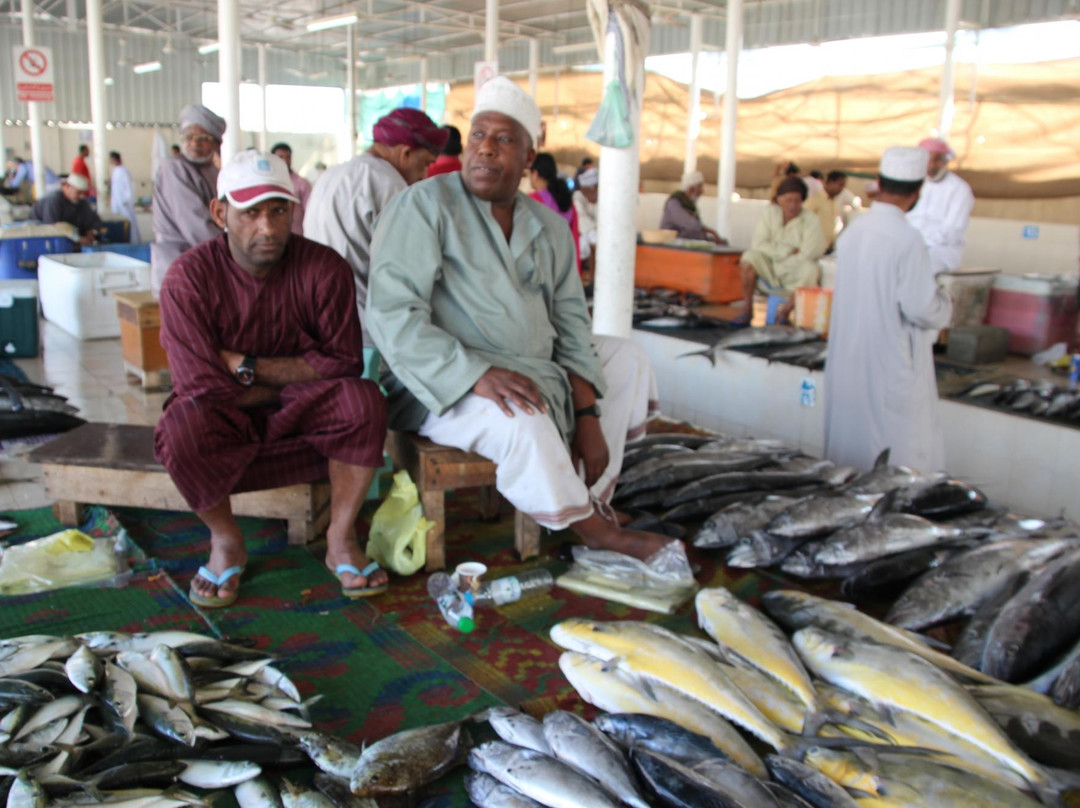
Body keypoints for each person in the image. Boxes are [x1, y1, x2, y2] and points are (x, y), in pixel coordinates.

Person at [366, 76, 675, 563]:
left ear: (529, 157)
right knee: (520, 413)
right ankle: (596, 531)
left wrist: (588, 414)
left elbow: (572, 321)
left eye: (504, 140)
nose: (485, 150)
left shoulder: (549, 226)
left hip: (530, 371)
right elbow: (392, 315)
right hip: (437, 384)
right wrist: (475, 375)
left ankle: (588, 498)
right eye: (477, 137)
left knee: (628, 357)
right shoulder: (424, 205)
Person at [154, 150, 389, 608]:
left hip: (298, 412)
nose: (267, 227)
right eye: (251, 213)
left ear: (293, 210)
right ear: (220, 212)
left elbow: (343, 363)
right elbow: (200, 385)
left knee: (363, 401)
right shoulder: (187, 279)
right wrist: (300, 377)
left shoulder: (324, 268)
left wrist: (244, 364)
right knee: (180, 429)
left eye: (278, 211)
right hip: (231, 413)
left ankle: (339, 539)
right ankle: (226, 541)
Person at [824, 146, 953, 474]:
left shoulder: (853, 233)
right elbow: (920, 306)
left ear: (879, 182)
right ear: (917, 191)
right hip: (889, 361)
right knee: (892, 461)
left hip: (851, 358)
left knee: (849, 457)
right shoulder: (907, 239)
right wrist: (945, 303)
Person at [304, 107, 447, 347]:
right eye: (424, 165)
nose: (423, 176)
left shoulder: (333, 175)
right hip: (364, 329)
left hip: (318, 320)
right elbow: (411, 267)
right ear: (406, 154)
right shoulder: (388, 183)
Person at [151, 104, 226, 295]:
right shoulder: (174, 169)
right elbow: (197, 226)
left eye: (203, 138)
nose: (195, 144)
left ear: (217, 144)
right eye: (189, 137)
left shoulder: (215, 172)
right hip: (179, 267)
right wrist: (236, 256)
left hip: (206, 264)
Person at [738, 176, 826, 324]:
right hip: (770, 267)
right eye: (788, 200)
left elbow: (809, 253)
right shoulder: (769, 214)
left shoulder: (811, 220)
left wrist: (778, 253)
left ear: (803, 200)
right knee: (749, 258)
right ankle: (747, 309)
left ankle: (784, 313)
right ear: (779, 200)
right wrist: (787, 250)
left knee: (811, 269)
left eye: (797, 200)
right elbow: (759, 244)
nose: (792, 205)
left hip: (794, 270)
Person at [906, 137, 974, 273]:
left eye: (937, 159)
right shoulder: (912, 183)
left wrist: (915, 242)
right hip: (908, 245)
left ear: (945, 161)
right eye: (927, 160)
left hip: (941, 252)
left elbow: (952, 231)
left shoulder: (960, 189)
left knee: (917, 266)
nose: (931, 165)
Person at [529, 152, 580, 272]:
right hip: (564, 267)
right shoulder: (567, 202)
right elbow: (574, 238)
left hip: (540, 269)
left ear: (535, 174)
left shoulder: (531, 201)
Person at [30, 174, 103, 245]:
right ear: (67, 187)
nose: (82, 196)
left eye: (84, 193)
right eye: (79, 192)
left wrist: (90, 232)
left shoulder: (81, 203)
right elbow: (51, 227)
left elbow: (94, 220)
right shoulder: (54, 200)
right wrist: (78, 239)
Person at [659, 171, 723, 243]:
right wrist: (711, 232)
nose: (702, 191)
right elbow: (692, 225)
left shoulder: (689, 204)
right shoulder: (674, 203)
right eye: (700, 188)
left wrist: (712, 235)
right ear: (691, 189)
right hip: (672, 244)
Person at [270, 142, 312, 236]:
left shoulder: (302, 183)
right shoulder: (268, 183)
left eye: (288, 157)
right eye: (281, 157)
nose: (285, 160)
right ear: (273, 159)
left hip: (297, 235)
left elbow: (310, 212)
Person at [804, 170, 847, 253]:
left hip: (830, 249)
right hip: (815, 249)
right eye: (840, 185)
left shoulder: (834, 201)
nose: (842, 189)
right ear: (830, 182)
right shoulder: (815, 200)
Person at [108, 151, 141, 243]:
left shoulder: (124, 171)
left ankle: (133, 240)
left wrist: (127, 199)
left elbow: (128, 187)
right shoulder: (115, 171)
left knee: (129, 221)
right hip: (117, 202)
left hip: (124, 202)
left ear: (116, 159)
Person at [573, 167, 598, 272]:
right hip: (584, 235)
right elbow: (581, 219)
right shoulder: (578, 196)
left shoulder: (606, 198)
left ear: (593, 188)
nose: (583, 192)